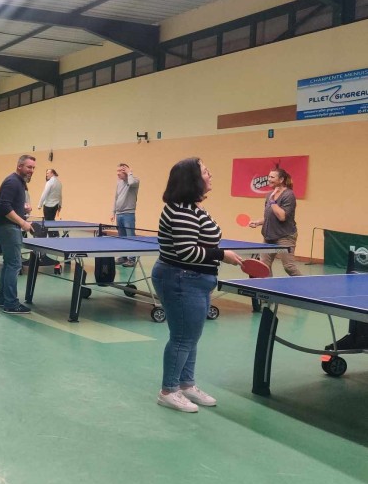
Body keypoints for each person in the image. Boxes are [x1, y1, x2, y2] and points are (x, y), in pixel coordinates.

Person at [152, 157, 242, 413]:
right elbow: (186, 252)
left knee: (191, 336)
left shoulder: (193, 207)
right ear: (192, 179)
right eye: (205, 171)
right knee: (183, 338)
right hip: (181, 278)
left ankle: (186, 384)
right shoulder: (181, 211)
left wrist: (217, 255)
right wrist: (222, 255)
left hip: (194, 279)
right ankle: (168, 391)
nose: (210, 174)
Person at [0, 155, 36, 314]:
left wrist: (22, 209)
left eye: (33, 168)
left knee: (9, 263)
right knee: (15, 264)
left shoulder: (19, 182)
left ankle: (2, 298)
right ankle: (11, 303)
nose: (31, 170)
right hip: (8, 228)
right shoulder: (12, 182)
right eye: (29, 167)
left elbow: (10, 204)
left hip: (7, 227)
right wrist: (23, 223)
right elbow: (4, 207)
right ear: (19, 166)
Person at [248, 166, 302, 277]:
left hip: (285, 236)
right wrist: (258, 222)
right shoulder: (269, 195)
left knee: (289, 267)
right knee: (264, 267)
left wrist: (272, 201)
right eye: (268, 177)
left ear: (281, 180)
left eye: (272, 177)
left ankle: (306, 285)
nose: (269, 179)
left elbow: (282, 217)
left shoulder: (288, 195)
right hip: (269, 237)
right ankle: (269, 287)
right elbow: (270, 216)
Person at [111, 163, 140, 267]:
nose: (118, 173)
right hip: (119, 214)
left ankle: (131, 259)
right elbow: (116, 198)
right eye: (117, 171)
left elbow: (131, 182)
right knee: (121, 237)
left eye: (120, 171)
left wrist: (129, 172)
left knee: (130, 237)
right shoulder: (119, 183)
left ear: (126, 171)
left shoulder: (135, 181)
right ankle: (123, 257)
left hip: (128, 214)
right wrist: (113, 212)